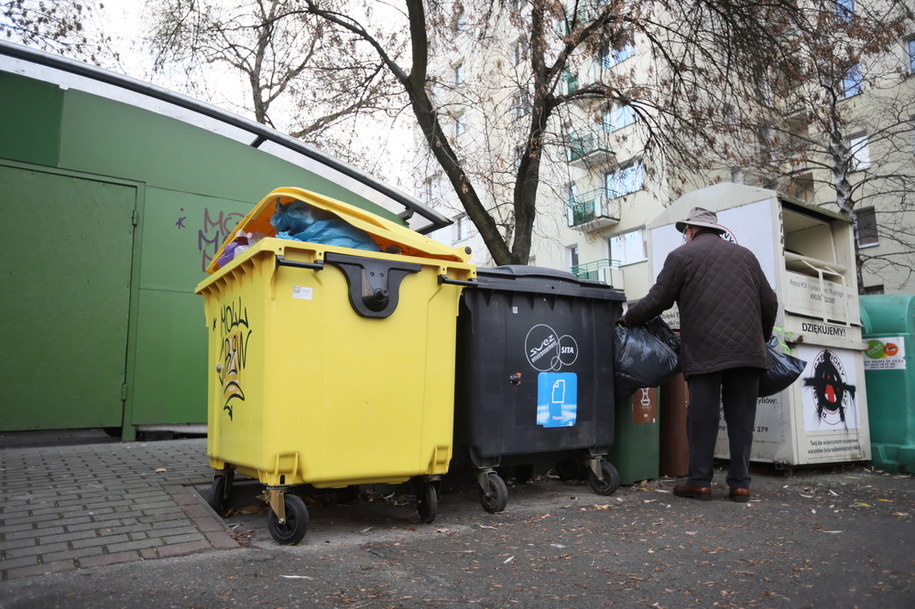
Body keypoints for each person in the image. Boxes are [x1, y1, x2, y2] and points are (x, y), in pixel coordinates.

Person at [621, 207, 778, 502]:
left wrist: (627, 319)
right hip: (748, 352)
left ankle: (700, 482)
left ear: (690, 231)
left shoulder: (682, 257)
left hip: (706, 351)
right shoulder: (746, 255)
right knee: (742, 419)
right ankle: (740, 484)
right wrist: (762, 337)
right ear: (716, 231)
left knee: (702, 418)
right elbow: (769, 302)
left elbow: (657, 301)